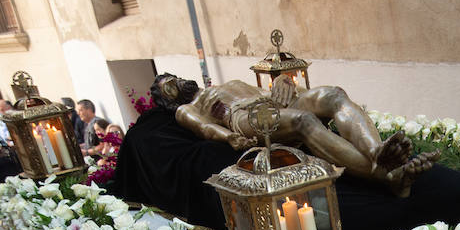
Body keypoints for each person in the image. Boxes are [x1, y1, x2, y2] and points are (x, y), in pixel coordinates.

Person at [171, 74, 437, 196]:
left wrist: (282, 83)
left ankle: (376, 151)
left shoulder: (227, 82)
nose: (174, 81)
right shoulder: (187, 108)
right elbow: (206, 128)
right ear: (168, 99)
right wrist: (228, 138)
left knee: (333, 94)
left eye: (172, 76)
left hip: (272, 104)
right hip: (247, 119)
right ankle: (388, 177)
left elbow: (267, 89)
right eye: (167, 85)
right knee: (304, 120)